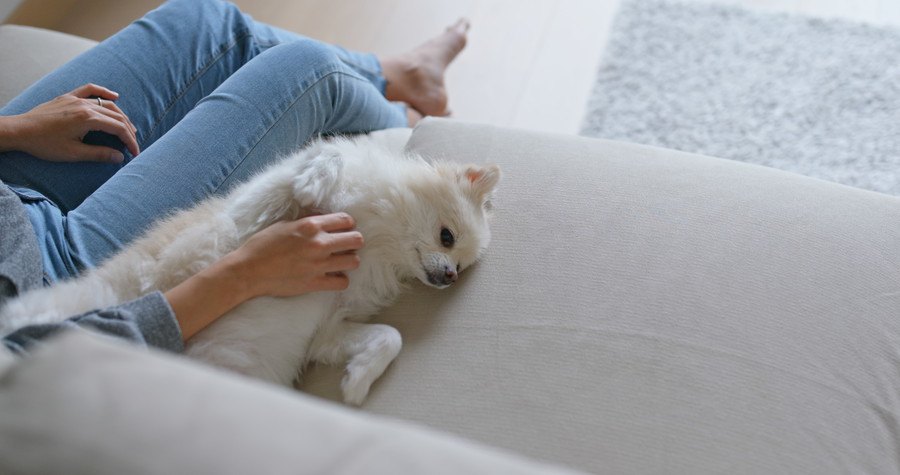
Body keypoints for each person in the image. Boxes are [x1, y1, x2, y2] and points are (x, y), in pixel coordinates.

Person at [0, 0, 469, 355]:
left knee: (204, 20)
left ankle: (393, 75)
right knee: (307, 71)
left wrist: (17, 129)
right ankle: (399, 117)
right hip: (46, 276)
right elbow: (34, 352)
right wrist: (243, 274)